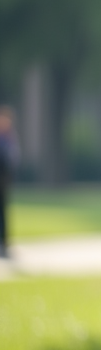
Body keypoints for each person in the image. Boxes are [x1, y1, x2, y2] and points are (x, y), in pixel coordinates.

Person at [0, 105, 18, 257]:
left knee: (3, 212)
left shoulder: (9, 138)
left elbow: (13, 157)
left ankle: (4, 243)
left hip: (3, 179)